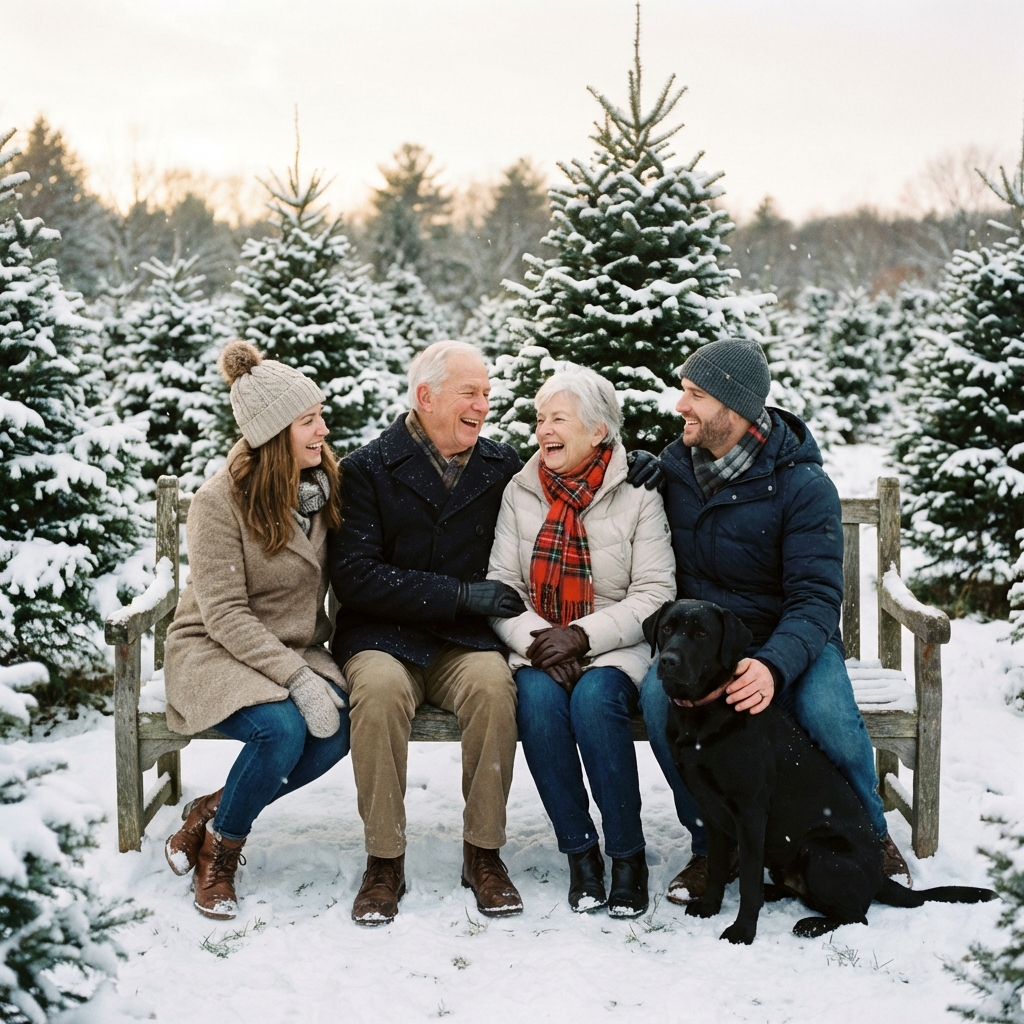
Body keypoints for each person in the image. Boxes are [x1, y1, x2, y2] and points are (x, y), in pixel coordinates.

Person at [637, 338, 913, 906]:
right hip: (708, 646)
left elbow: (816, 598)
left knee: (826, 712)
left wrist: (771, 665)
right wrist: (627, 467)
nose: (680, 406)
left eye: (695, 395)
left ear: (735, 408)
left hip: (793, 637)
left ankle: (869, 833)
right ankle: (712, 845)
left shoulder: (802, 485)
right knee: (658, 703)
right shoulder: (675, 471)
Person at [329, 341, 527, 925]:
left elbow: (570, 482)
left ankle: (483, 852)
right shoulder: (365, 469)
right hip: (382, 636)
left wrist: (632, 463)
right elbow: (356, 576)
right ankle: (384, 859)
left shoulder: (503, 466)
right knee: (379, 693)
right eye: (470, 393)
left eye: (487, 393)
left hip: (463, 642)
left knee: (494, 687)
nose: (483, 405)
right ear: (426, 396)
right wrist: (458, 594)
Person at [163, 341, 349, 920]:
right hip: (214, 649)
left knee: (338, 728)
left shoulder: (323, 487)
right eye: (308, 420)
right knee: (281, 730)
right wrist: (296, 678)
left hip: (294, 646)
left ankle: (212, 810)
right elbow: (224, 614)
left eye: (320, 415)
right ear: (273, 434)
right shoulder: (218, 502)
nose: (323, 430)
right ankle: (220, 852)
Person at [487, 369, 675, 918]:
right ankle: (580, 854)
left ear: (598, 431)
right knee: (538, 703)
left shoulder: (637, 490)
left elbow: (655, 592)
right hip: (539, 643)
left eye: (558, 419)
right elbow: (502, 585)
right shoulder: (521, 489)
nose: (543, 430)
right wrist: (540, 641)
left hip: (615, 643)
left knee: (595, 701)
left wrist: (582, 637)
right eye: (540, 419)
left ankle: (627, 856)